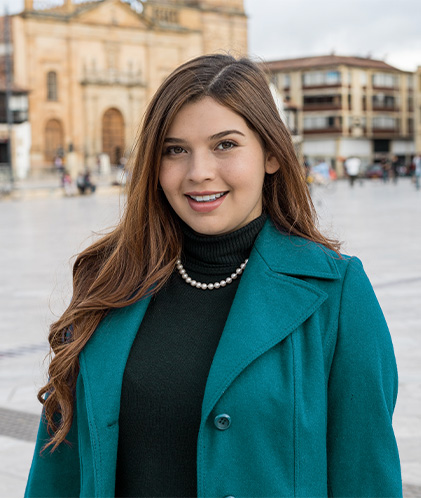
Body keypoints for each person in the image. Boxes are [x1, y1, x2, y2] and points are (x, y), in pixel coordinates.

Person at [25, 54, 402, 498]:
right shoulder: (108, 280)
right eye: (175, 149)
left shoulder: (335, 293)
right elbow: (57, 470)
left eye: (225, 144)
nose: (199, 172)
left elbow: (366, 475)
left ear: (273, 155)